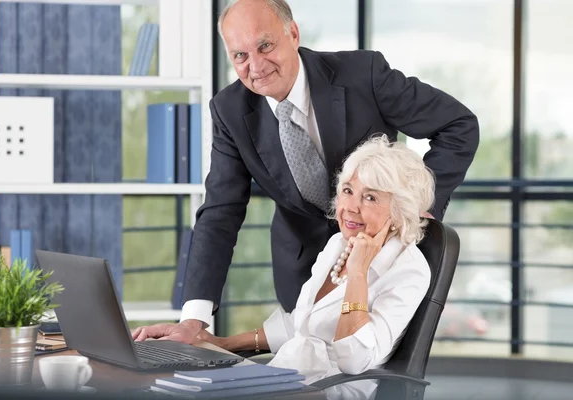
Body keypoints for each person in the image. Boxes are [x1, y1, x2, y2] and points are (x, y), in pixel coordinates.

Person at [132, 0, 478, 344]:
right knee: (304, 368)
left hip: (380, 260)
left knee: (367, 364)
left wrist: (417, 205)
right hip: (305, 271)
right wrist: (194, 319)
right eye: (240, 56)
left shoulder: (363, 74)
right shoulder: (230, 111)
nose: (255, 65)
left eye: (264, 45)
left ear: (293, 33)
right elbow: (220, 213)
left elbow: (458, 125)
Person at [139, 135, 434, 399]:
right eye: (347, 191)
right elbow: (302, 323)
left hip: (333, 389)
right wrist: (214, 342)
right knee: (161, 382)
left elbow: (354, 360)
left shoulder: (409, 270)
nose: (351, 207)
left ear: (400, 211)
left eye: (370, 197)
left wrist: (358, 273)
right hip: (288, 375)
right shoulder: (338, 245)